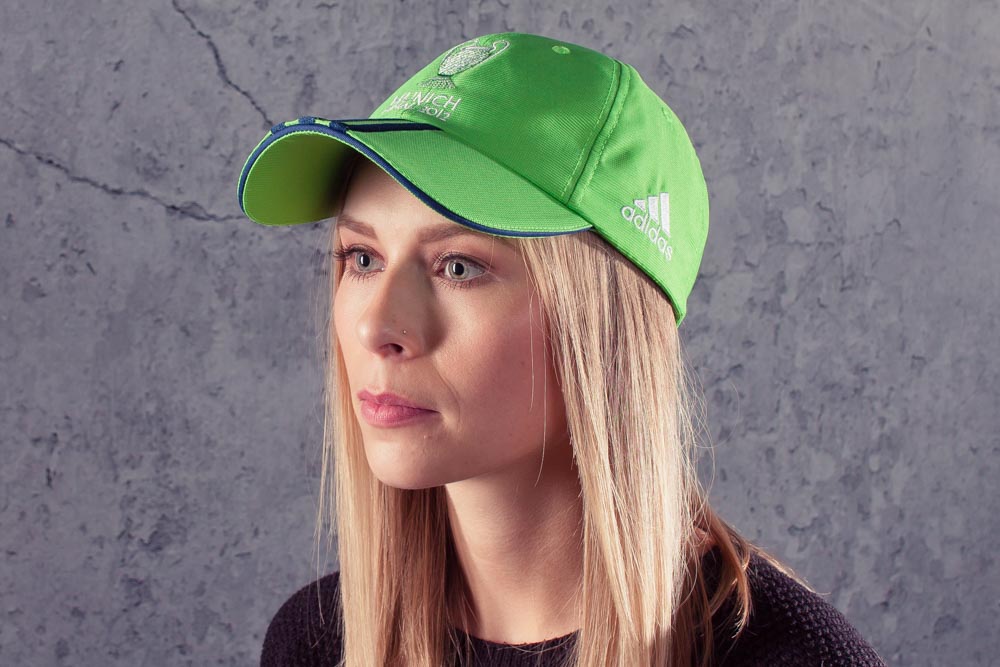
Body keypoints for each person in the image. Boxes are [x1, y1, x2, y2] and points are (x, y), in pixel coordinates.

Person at [237, 32, 886, 667]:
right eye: (362, 257)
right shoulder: (317, 642)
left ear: (606, 328)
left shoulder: (796, 657)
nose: (375, 326)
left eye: (459, 266)